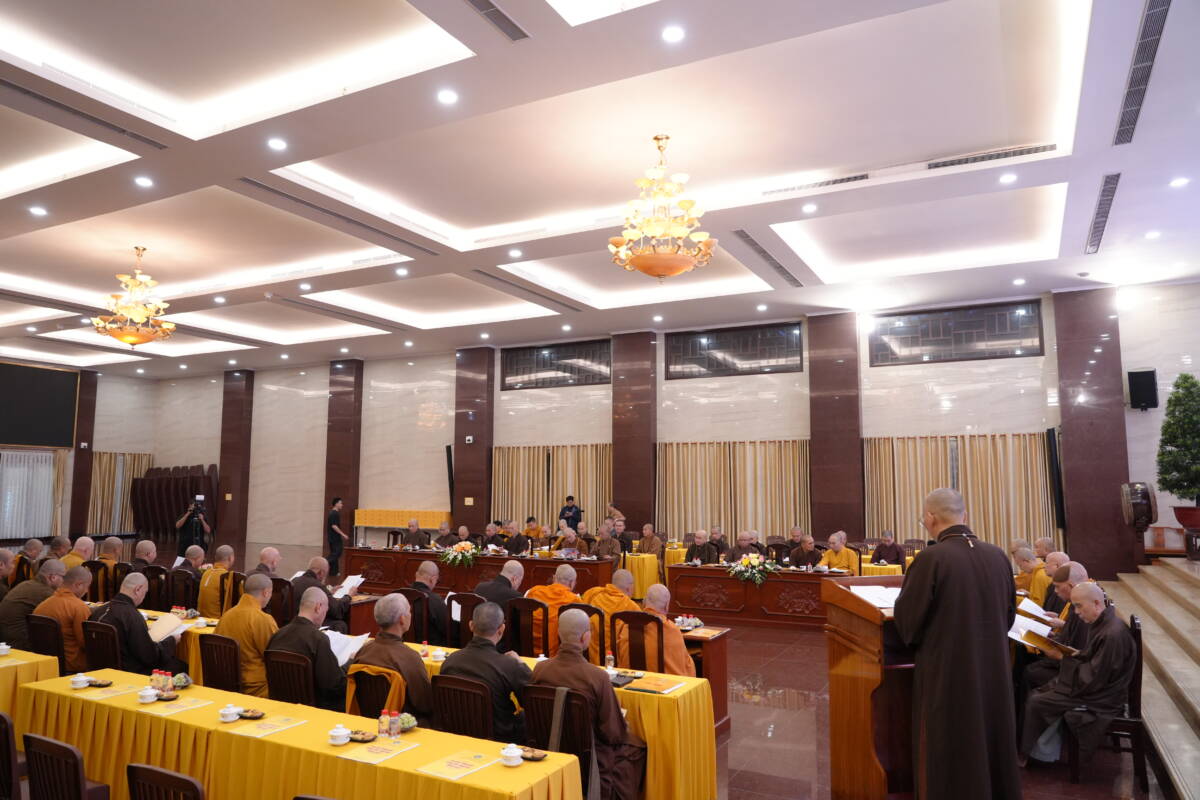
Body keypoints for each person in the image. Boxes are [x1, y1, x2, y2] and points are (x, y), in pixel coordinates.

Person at [893, 488, 1020, 800]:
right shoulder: (998, 556)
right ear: (965, 515)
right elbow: (1009, 616)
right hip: (993, 668)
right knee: (990, 735)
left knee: (950, 742)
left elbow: (909, 622)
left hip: (947, 670)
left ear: (930, 518)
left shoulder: (931, 558)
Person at [532, 609, 647, 799]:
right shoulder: (597, 677)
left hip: (549, 749)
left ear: (559, 634)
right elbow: (613, 733)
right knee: (637, 746)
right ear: (585, 637)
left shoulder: (540, 669)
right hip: (591, 758)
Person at [1021, 583, 1136, 766]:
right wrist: (1073, 654)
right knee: (1042, 690)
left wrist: (1062, 658)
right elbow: (1093, 659)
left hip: (1102, 697)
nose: (1076, 612)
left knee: (1037, 700)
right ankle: (1040, 751)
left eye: (1079, 606)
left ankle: (1034, 756)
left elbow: (1094, 678)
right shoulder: (1104, 623)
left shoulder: (1112, 634)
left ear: (1096, 603)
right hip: (1095, 686)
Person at [441, 602, 532, 743]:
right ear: (501, 629)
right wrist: (521, 664)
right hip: (499, 738)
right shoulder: (508, 665)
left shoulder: (450, 661)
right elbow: (531, 702)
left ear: (471, 625)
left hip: (456, 733)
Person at [352, 593, 434, 726]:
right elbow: (425, 704)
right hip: (400, 726)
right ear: (402, 619)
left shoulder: (363, 651)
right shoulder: (410, 657)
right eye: (409, 611)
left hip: (365, 721)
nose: (410, 615)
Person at [266, 586, 346, 710]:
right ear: (318, 607)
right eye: (326, 610)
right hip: (313, 710)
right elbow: (333, 686)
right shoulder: (318, 639)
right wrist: (347, 666)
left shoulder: (277, 635)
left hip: (279, 706)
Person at [90, 572, 185, 675]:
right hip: (128, 672)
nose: (143, 598)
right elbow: (150, 657)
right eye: (145, 593)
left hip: (98, 670)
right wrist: (171, 641)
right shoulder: (131, 615)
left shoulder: (98, 611)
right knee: (180, 666)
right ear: (138, 589)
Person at [1023, 562, 1093, 691]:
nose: (1055, 591)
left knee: (1030, 671)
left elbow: (1080, 654)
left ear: (1071, 586)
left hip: (1074, 674)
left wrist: (1057, 655)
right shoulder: (1078, 603)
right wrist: (1054, 636)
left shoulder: (1085, 610)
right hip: (1067, 662)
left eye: (1057, 587)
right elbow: (1071, 634)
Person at [214, 573, 278, 697]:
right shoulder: (262, 619)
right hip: (257, 687)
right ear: (266, 592)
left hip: (226, 682)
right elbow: (274, 656)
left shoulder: (226, 615)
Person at [617, 583, 695, 676]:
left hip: (630, 681)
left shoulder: (627, 625)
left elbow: (619, 658)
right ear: (667, 606)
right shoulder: (671, 629)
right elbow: (684, 666)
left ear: (644, 602)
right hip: (662, 683)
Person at [33, 566, 92, 672]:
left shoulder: (43, 605)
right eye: (87, 586)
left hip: (46, 663)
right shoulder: (79, 607)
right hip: (73, 666)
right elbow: (85, 642)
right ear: (78, 585)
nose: (87, 591)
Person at [0, 559, 65, 649]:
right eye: (63, 577)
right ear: (53, 577)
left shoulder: (26, 584)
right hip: (18, 643)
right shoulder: (46, 593)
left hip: (4, 638)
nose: (64, 581)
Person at [580, 569, 641, 664]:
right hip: (615, 662)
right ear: (629, 588)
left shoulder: (593, 593)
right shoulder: (631, 606)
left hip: (591, 658)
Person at [525, 564, 582, 656]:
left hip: (527, 650)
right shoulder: (573, 600)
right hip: (554, 654)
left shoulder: (534, 591)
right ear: (572, 583)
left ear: (554, 578)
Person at [291, 557, 350, 633]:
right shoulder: (317, 585)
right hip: (307, 624)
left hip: (292, 621)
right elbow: (337, 610)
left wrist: (329, 592)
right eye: (325, 575)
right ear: (321, 573)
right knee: (340, 624)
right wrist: (348, 596)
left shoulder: (294, 580)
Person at [410, 560, 449, 646]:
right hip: (429, 649)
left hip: (404, 646)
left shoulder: (400, 595)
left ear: (416, 575)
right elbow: (448, 629)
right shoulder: (435, 600)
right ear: (432, 579)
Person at [198, 544, 234, 618]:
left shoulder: (206, 573)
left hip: (201, 619)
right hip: (217, 621)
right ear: (230, 558)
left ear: (215, 557)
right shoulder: (227, 576)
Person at [326, 497, 349, 576]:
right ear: (336, 504)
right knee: (337, 553)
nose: (342, 505)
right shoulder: (334, 513)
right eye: (341, 503)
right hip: (334, 538)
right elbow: (334, 526)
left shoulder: (333, 513)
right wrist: (343, 534)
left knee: (334, 554)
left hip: (332, 538)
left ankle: (333, 572)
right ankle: (323, 562)